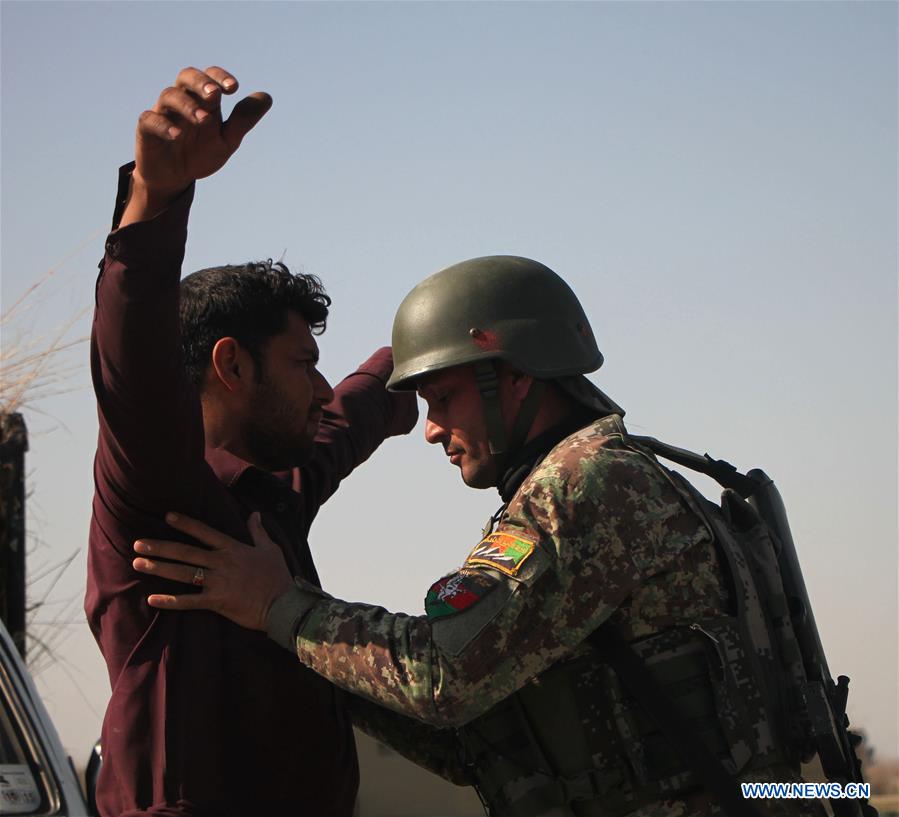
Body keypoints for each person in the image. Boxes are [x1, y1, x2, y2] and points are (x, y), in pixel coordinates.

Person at [132, 256, 829, 817]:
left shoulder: (585, 485)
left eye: (441, 399)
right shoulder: (615, 473)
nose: (430, 428)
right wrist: (304, 652)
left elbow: (444, 678)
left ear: (515, 380)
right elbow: (477, 737)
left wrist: (280, 608)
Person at [87, 65, 417, 816]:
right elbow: (131, 364)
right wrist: (155, 197)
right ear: (231, 364)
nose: (322, 389)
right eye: (304, 365)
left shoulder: (276, 492)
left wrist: (436, 346)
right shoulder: (160, 493)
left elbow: (353, 414)